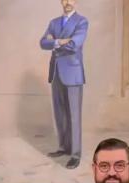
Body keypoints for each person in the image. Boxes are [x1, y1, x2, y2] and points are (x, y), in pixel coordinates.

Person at [40, 0, 88, 169]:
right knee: (60, 113)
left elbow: (75, 45)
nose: (68, 2)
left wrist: (54, 41)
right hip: (56, 73)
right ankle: (63, 147)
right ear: (61, 1)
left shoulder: (82, 21)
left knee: (74, 115)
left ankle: (75, 154)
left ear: (76, 1)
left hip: (73, 73)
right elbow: (42, 43)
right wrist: (61, 41)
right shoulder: (53, 22)